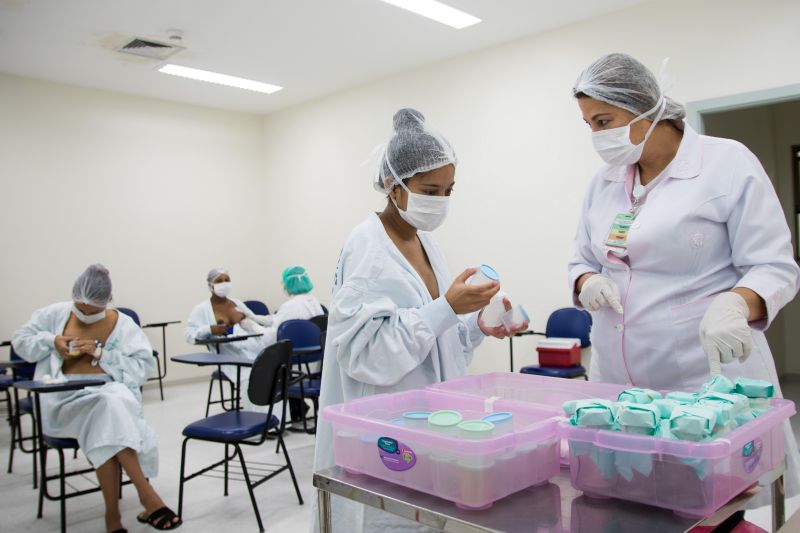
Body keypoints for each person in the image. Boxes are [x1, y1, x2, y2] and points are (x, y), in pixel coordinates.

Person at [568, 53, 800, 509]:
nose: (597, 136)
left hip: (706, 378)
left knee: (719, 505)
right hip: (618, 380)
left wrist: (737, 303)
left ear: (645, 109)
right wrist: (586, 282)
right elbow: (579, 257)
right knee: (632, 500)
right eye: (589, 124)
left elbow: (775, 266)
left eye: (604, 120)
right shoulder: (604, 181)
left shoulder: (726, 163)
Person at [311, 108, 528, 532]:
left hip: (426, 423)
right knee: (384, 520)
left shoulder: (426, 241)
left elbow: (434, 341)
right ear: (393, 186)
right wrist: (447, 307)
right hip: (381, 430)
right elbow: (367, 356)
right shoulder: (367, 247)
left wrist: (474, 323)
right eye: (431, 189)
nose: (441, 201)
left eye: (449, 190)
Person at [12, 264, 180, 532]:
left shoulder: (123, 326)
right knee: (110, 412)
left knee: (108, 411)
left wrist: (103, 355)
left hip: (108, 398)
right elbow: (20, 341)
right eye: (81, 309)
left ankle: (112, 517)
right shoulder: (55, 314)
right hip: (64, 402)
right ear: (74, 297)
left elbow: (143, 368)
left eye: (93, 311)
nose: (86, 314)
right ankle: (147, 495)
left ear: (108, 301)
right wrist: (51, 340)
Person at [184, 268, 273, 413]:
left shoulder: (236, 303)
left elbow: (254, 320)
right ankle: (256, 419)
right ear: (210, 285)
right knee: (248, 377)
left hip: (250, 349)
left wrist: (254, 321)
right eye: (219, 281)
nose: (224, 284)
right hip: (227, 355)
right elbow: (189, 335)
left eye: (227, 280)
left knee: (272, 370)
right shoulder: (201, 309)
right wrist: (210, 329)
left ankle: (277, 421)